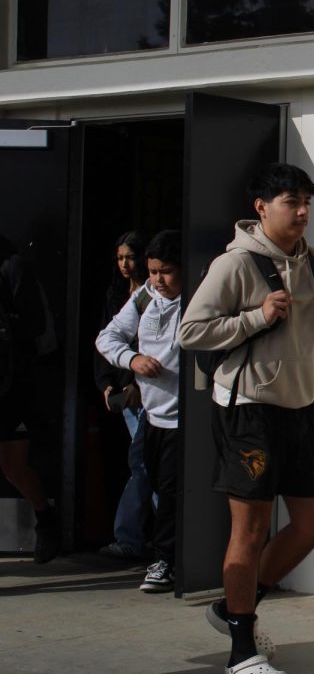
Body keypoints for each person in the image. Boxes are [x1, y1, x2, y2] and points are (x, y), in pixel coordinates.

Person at [179, 164, 314, 674]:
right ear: (261, 208)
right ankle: (241, 650)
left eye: (306, 204)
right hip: (248, 412)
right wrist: (256, 316)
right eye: (291, 202)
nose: (301, 212)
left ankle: (232, 610)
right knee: (248, 532)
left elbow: (295, 332)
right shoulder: (235, 265)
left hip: (300, 408)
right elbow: (190, 332)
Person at [95, 230, 182, 593]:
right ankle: (164, 556)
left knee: (173, 490)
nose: (157, 280)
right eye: (152, 271)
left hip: (187, 416)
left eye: (165, 272)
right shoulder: (145, 297)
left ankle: (169, 560)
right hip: (151, 413)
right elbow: (107, 338)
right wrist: (133, 359)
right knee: (155, 484)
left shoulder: (200, 299)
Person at [0, 234, 59, 563]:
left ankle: (45, 519)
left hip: (10, 383)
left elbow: (34, 324)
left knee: (12, 467)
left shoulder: (13, 265)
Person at [94, 231, 153, 560]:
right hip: (125, 390)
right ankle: (155, 538)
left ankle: (139, 538)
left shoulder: (155, 293)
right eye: (119, 258)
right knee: (144, 463)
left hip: (148, 389)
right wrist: (107, 383)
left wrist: (136, 383)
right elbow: (105, 339)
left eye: (130, 257)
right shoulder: (117, 294)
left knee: (144, 463)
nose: (125, 265)